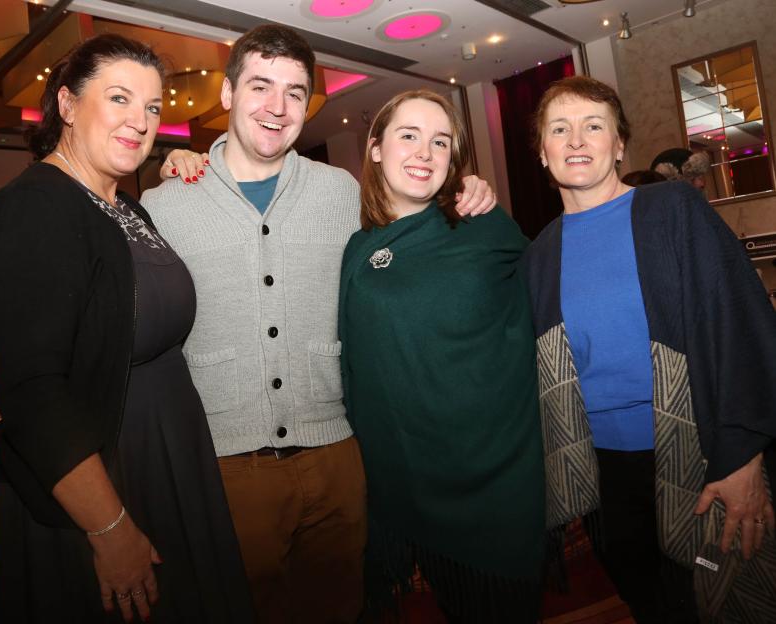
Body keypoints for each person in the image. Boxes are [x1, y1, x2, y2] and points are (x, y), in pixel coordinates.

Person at [144, 24, 496, 624]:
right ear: (227, 95)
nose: (277, 108)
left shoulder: (342, 191)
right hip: (226, 463)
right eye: (260, 86)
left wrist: (468, 191)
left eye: (294, 92)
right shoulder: (167, 203)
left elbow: (414, 226)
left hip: (336, 454)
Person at [0, 34, 253, 623]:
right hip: (101, 486)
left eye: (153, 108)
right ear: (68, 105)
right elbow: (33, 390)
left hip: (164, 461)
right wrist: (110, 528)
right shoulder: (35, 205)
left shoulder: (127, 206)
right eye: (121, 98)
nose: (140, 120)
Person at [524, 75, 776, 623]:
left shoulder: (674, 210)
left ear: (619, 145)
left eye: (594, 126)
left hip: (702, 451)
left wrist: (742, 455)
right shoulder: (539, 255)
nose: (576, 140)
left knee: (721, 595)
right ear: (541, 152)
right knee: (650, 601)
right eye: (559, 129)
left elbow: (739, 324)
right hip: (603, 473)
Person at [338, 90, 544, 623]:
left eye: (440, 142)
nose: (424, 152)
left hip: (491, 479)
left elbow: (551, 303)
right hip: (401, 483)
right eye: (408, 136)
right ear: (376, 148)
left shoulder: (486, 226)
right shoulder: (356, 248)